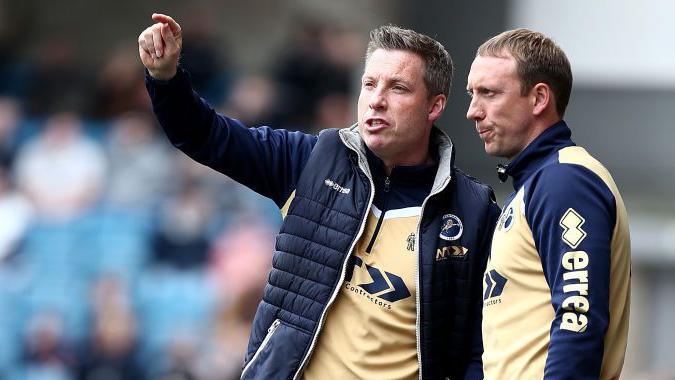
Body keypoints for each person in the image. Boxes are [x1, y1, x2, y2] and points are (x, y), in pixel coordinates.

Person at [139, 13, 500, 379]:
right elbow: (205, 136)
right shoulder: (313, 160)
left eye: (398, 88)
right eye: (369, 84)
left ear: (434, 107)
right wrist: (165, 78)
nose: (376, 100)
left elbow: (480, 348)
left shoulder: (472, 211)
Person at [466, 28, 630, 379]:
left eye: (488, 93)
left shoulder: (565, 181)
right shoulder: (535, 184)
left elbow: (578, 320)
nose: (472, 111)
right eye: (472, 94)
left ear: (539, 98)